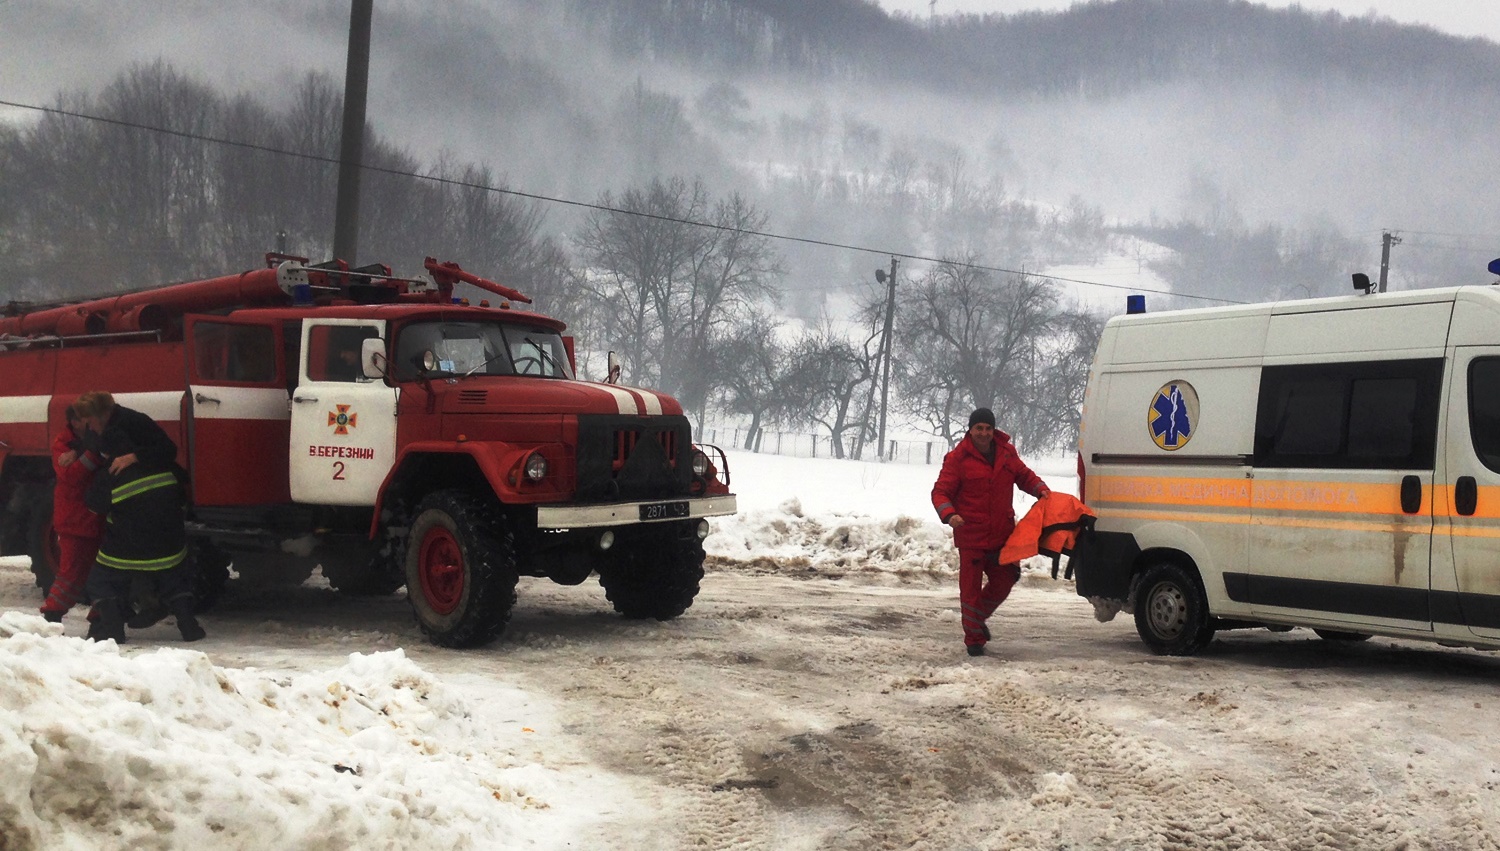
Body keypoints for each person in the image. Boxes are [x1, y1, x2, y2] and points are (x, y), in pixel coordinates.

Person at [74, 391, 204, 643]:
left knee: (100, 576)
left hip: (129, 548)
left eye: (89, 420)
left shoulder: (116, 463)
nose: (88, 427)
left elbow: (95, 507)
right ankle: (189, 627)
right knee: (174, 574)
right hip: (169, 545)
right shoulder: (162, 471)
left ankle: (112, 631)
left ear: (102, 415)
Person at [931, 407, 1050, 657]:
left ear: (993, 429)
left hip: (1001, 535)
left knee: (1007, 578)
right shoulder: (957, 459)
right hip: (971, 535)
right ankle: (974, 639)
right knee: (970, 590)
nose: (984, 433)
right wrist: (949, 514)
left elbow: (1024, 476)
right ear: (970, 430)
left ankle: (976, 620)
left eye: (988, 428)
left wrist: (1041, 490)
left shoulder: (1007, 453)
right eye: (979, 428)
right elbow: (940, 492)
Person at [39, 405, 106, 623]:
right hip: (74, 520)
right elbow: (72, 475)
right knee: (71, 572)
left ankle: (100, 615)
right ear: (75, 422)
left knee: (100, 572)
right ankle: (52, 613)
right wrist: (93, 454)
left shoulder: (77, 443)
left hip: (92, 516)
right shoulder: (62, 444)